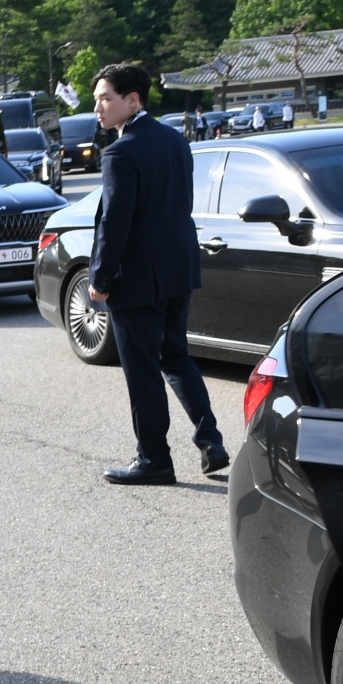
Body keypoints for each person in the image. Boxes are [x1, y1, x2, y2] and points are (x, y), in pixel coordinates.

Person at [85, 62, 228, 485]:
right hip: (178, 269)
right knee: (177, 357)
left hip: (137, 279)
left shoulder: (121, 152)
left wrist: (100, 277)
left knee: (144, 370)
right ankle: (211, 440)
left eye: (105, 99)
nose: (98, 108)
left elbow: (116, 222)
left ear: (132, 100)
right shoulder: (174, 140)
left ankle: (155, 460)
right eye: (96, 100)